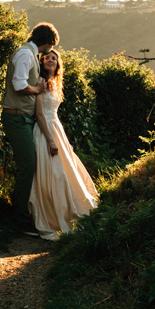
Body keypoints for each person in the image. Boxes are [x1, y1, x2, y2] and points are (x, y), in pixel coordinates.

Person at [29, 49, 99, 240]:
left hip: (56, 128)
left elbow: (54, 113)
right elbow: (40, 113)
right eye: (46, 58)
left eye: (54, 58)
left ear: (58, 63)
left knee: (65, 170)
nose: (50, 60)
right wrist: (51, 140)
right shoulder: (41, 82)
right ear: (42, 63)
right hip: (45, 131)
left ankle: (71, 210)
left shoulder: (56, 83)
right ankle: (53, 217)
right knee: (54, 174)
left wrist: (62, 140)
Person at [2, 22, 59, 236]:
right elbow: (19, 85)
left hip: (23, 118)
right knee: (28, 164)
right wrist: (37, 89)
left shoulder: (30, 54)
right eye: (50, 46)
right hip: (16, 117)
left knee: (29, 164)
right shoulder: (26, 55)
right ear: (47, 42)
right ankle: (19, 218)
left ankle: (22, 209)